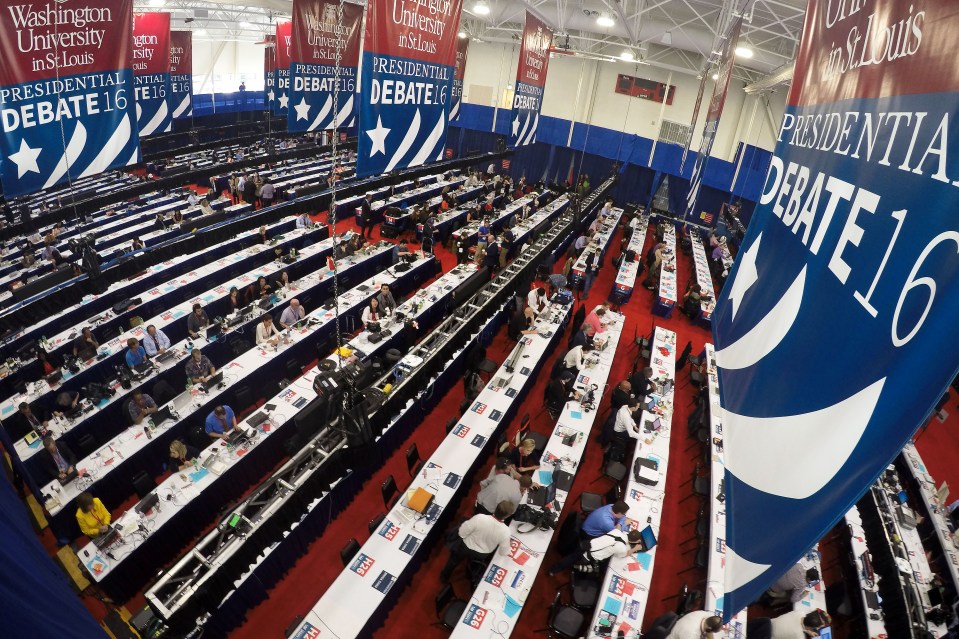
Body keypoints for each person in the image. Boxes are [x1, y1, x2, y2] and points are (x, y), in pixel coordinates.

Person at [440, 501, 513, 584]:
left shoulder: (480, 518)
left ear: (496, 507)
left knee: (453, 560)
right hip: (482, 554)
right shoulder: (506, 532)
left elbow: (462, 532)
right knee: (474, 564)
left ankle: (444, 576)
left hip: (465, 547)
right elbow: (503, 552)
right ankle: (470, 573)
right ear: (509, 515)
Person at [549, 528, 644, 577]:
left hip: (587, 544)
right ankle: (576, 571)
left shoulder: (617, 531)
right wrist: (635, 549)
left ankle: (553, 570)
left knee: (570, 558)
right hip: (588, 557)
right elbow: (624, 555)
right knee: (591, 571)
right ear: (635, 541)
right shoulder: (622, 548)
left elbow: (617, 528)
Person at [748, 609, 831, 639]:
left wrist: (806, 630)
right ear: (814, 628)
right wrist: (806, 631)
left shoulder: (799, 612)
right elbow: (796, 631)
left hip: (764, 624)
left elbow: (799, 625)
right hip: (766, 636)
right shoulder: (799, 637)